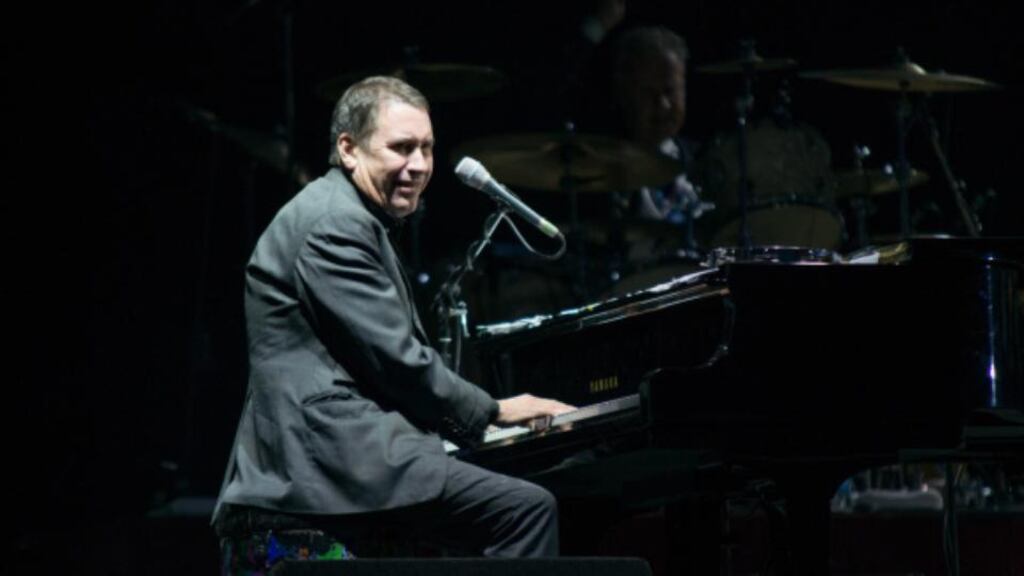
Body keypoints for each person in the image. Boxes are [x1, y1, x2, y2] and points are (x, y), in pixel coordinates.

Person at [212, 76, 574, 572]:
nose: (420, 165)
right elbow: (400, 363)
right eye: (402, 148)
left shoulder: (344, 214)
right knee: (525, 511)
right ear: (349, 149)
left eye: (426, 148)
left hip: (339, 458)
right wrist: (492, 411)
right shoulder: (335, 224)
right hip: (326, 465)